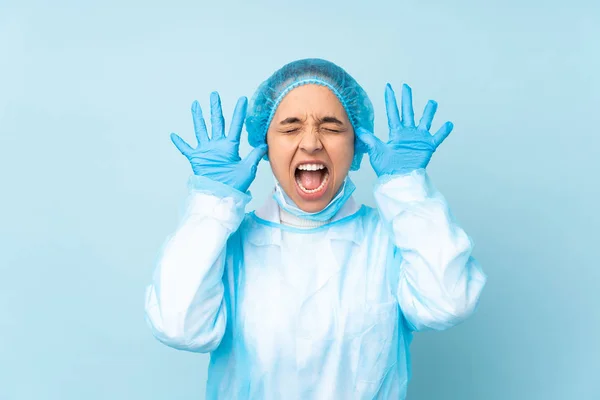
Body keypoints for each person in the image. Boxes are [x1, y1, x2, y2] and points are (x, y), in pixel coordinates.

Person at [144, 58, 486, 399]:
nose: (311, 143)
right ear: (265, 147)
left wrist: (408, 189)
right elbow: (179, 326)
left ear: (357, 147)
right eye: (290, 128)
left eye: (332, 127)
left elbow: (449, 303)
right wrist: (211, 204)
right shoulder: (230, 249)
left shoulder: (391, 244)